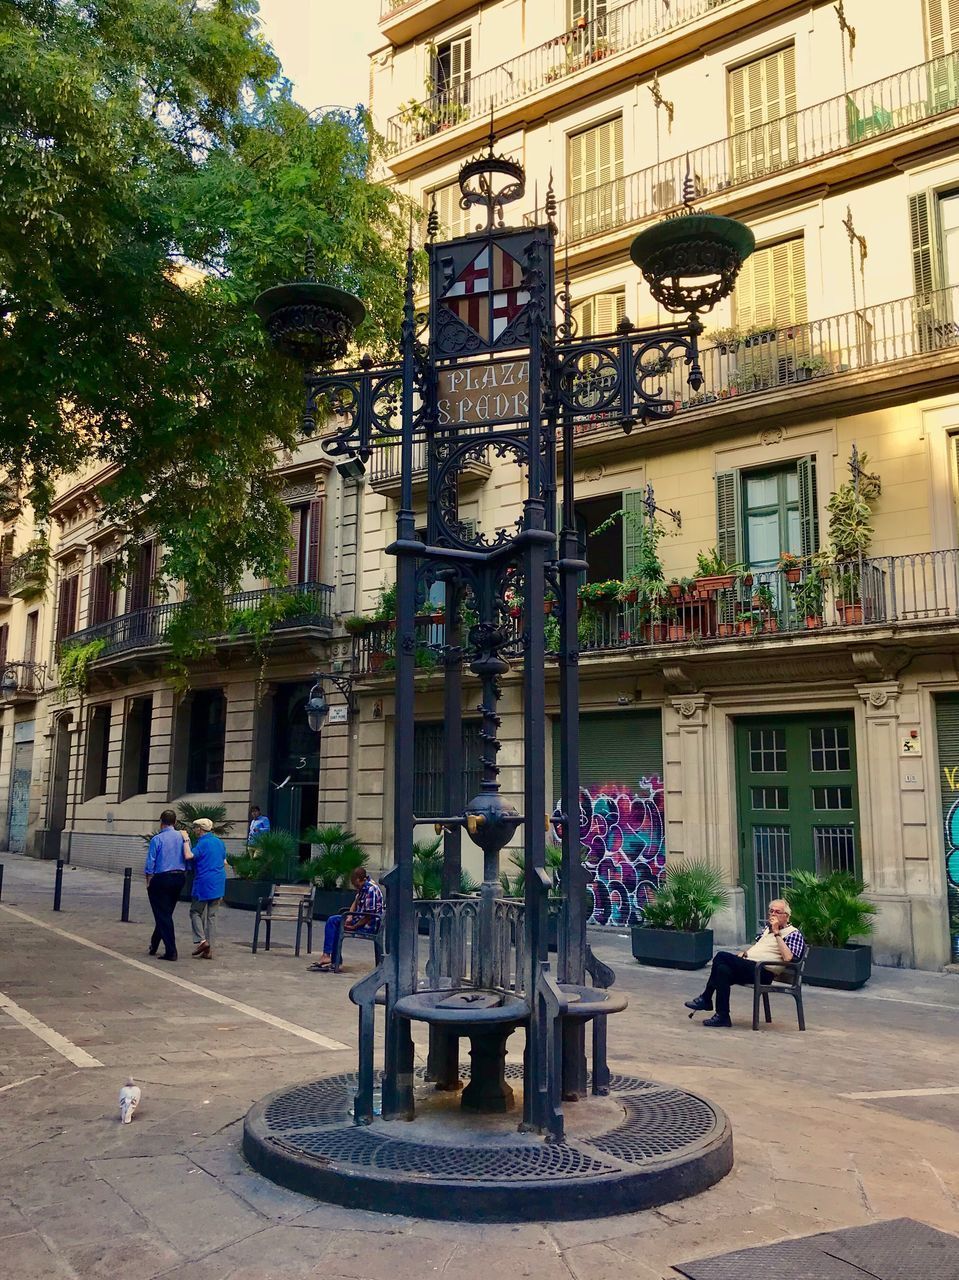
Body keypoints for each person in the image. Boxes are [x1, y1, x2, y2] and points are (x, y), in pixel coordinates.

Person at [684, 898, 806, 1027]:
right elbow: (760, 947)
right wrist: (746, 953)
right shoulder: (767, 929)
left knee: (721, 956)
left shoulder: (793, 933)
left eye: (777, 912)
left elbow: (788, 957)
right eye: (771, 911)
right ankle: (722, 1016)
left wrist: (777, 933)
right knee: (722, 971)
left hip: (763, 972)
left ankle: (706, 998)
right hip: (750, 967)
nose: (773, 914)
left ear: (786, 916)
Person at [311, 867, 383, 972]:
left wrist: (354, 926)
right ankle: (329, 956)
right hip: (358, 918)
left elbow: (369, 915)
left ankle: (334, 960)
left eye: (355, 884)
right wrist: (349, 917)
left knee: (337, 925)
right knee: (333, 921)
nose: (355, 886)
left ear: (360, 879)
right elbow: (356, 901)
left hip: (368, 925)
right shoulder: (363, 886)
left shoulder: (371, 889)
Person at [145, 810, 192, 961]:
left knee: (162, 914)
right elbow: (187, 857)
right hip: (179, 878)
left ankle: (171, 950)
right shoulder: (183, 838)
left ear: (161, 822)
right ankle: (154, 943)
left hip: (162, 878)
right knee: (166, 912)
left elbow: (150, 862)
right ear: (175, 822)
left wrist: (149, 879)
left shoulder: (157, 839)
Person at [189, 817, 226, 960]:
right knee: (212, 916)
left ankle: (202, 941)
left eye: (195, 828)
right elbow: (223, 859)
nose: (194, 830)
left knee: (195, 912)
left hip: (204, 882)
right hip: (218, 882)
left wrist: (186, 843)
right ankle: (210, 949)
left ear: (200, 829)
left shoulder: (201, 844)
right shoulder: (219, 842)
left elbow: (191, 856)